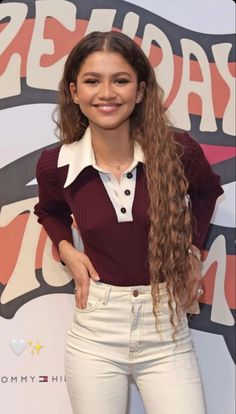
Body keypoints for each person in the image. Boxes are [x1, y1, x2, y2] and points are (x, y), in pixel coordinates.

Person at [34, 31, 223, 414]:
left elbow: (207, 192)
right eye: (92, 81)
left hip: (166, 328)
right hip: (95, 333)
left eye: (120, 80)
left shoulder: (179, 150)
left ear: (139, 91)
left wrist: (191, 250)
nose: (107, 93)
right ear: (74, 92)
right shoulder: (56, 164)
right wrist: (66, 249)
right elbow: (49, 211)